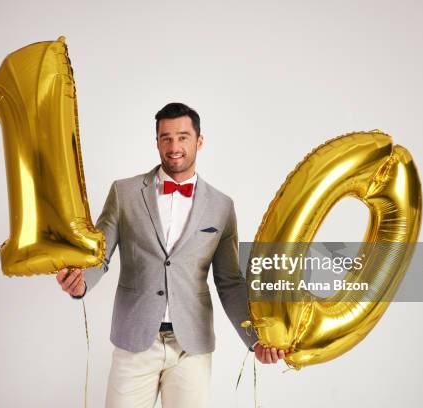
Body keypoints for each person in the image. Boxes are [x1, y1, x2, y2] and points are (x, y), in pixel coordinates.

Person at [57, 102, 287, 408]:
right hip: (135, 341)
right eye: (165, 138)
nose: (174, 146)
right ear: (156, 142)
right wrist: (81, 282)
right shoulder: (123, 193)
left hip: (191, 345)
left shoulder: (221, 206)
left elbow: (230, 281)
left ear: (199, 141)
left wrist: (255, 338)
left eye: (182, 137)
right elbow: (101, 255)